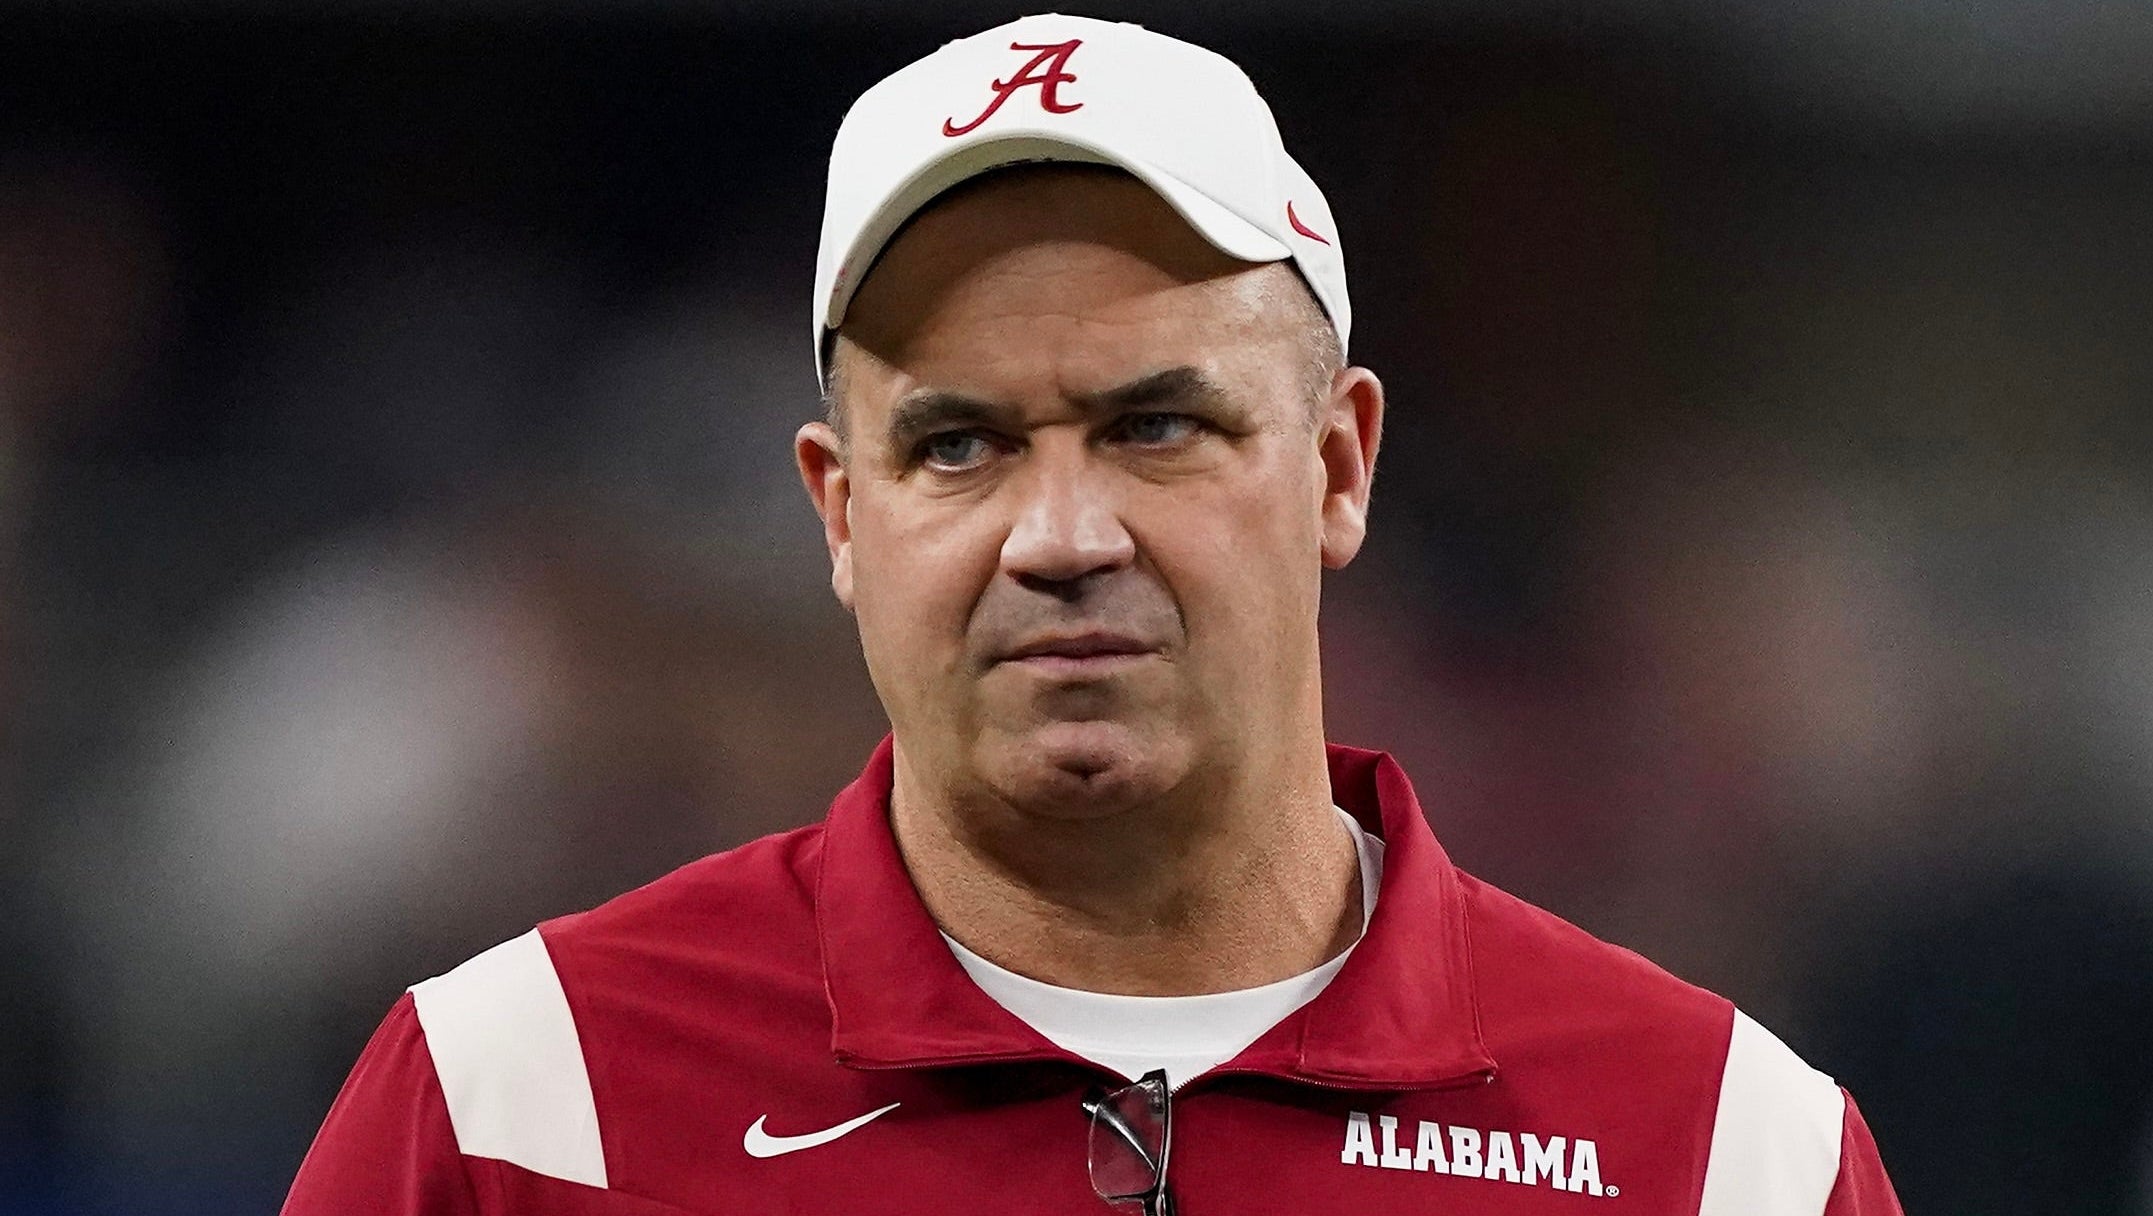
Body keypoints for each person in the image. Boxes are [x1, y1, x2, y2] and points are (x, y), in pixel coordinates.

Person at [282, 14, 1902, 1213]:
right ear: (841, 514)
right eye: (956, 445)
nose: (1059, 538)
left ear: (1338, 467)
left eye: (1155, 426)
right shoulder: (518, 1105)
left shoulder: (1721, 1155)